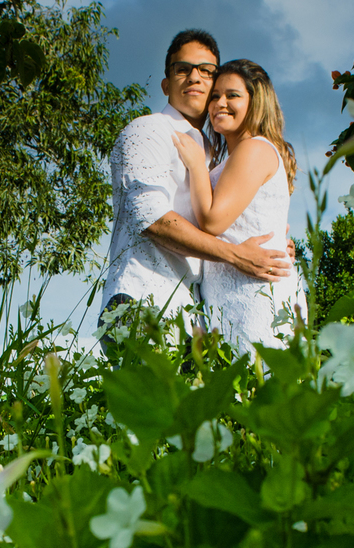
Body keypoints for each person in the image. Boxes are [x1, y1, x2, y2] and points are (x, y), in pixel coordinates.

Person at [99, 30, 293, 340]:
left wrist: (274, 241)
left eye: (206, 72)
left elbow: (236, 211)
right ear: (166, 83)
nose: (195, 77)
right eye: (183, 69)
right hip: (142, 301)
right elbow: (151, 219)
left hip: (194, 319)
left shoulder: (212, 155)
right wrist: (236, 254)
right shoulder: (147, 130)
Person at [172, 59, 305, 358]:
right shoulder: (233, 158)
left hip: (252, 296)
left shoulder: (254, 148)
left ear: (256, 102)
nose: (220, 103)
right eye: (215, 96)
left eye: (232, 95)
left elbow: (212, 221)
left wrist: (195, 165)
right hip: (230, 298)